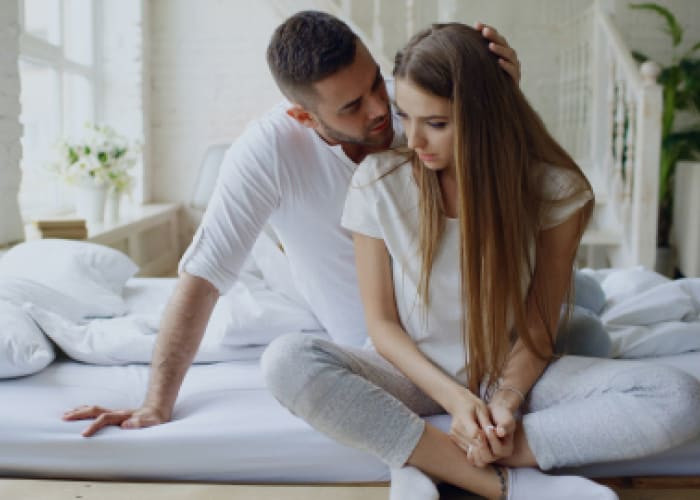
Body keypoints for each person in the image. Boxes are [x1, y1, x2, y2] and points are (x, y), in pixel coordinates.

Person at [260, 23, 700, 500]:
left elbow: (538, 323)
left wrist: (506, 402)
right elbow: (382, 326)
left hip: (511, 372)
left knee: (679, 398)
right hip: (414, 374)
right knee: (287, 361)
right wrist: (457, 400)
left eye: (438, 123)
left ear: (484, 114)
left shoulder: (556, 191)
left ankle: (443, 455)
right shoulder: (378, 182)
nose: (416, 140)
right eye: (407, 116)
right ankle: (499, 483)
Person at [61, 12, 521, 436]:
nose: (381, 109)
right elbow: (203, 276)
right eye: (352, 106)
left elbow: (511, 181)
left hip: (465, 318)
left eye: (376, 84)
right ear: (303, 116)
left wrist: (501, 99)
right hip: (378, 342)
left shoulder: (410, 107)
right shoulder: (269, 149)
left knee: (575, 322)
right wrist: (156, 404)